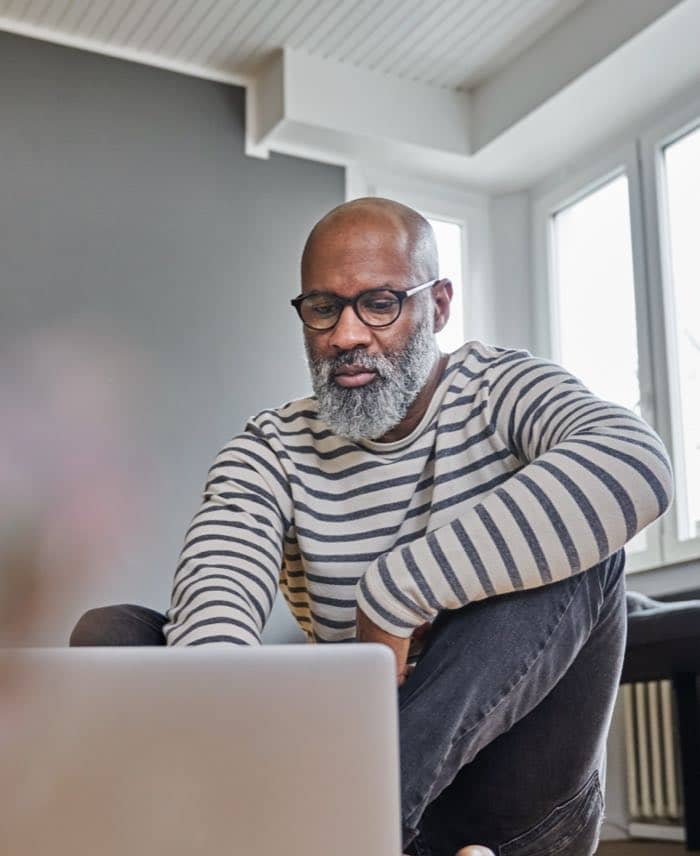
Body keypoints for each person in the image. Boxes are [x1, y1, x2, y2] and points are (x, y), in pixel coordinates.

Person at [72, 198, 674, 856]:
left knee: (586, 551)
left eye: (380, 303)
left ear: (437, 306)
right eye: (323, 308)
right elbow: (219, 583)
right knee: (113, 635)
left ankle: (336, 832)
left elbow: (634, 462)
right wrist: (228, 734)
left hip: (508, 809)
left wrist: (398, 590)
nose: (346, 336)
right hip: (344, 774)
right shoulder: (271, 447)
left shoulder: (499, 387)